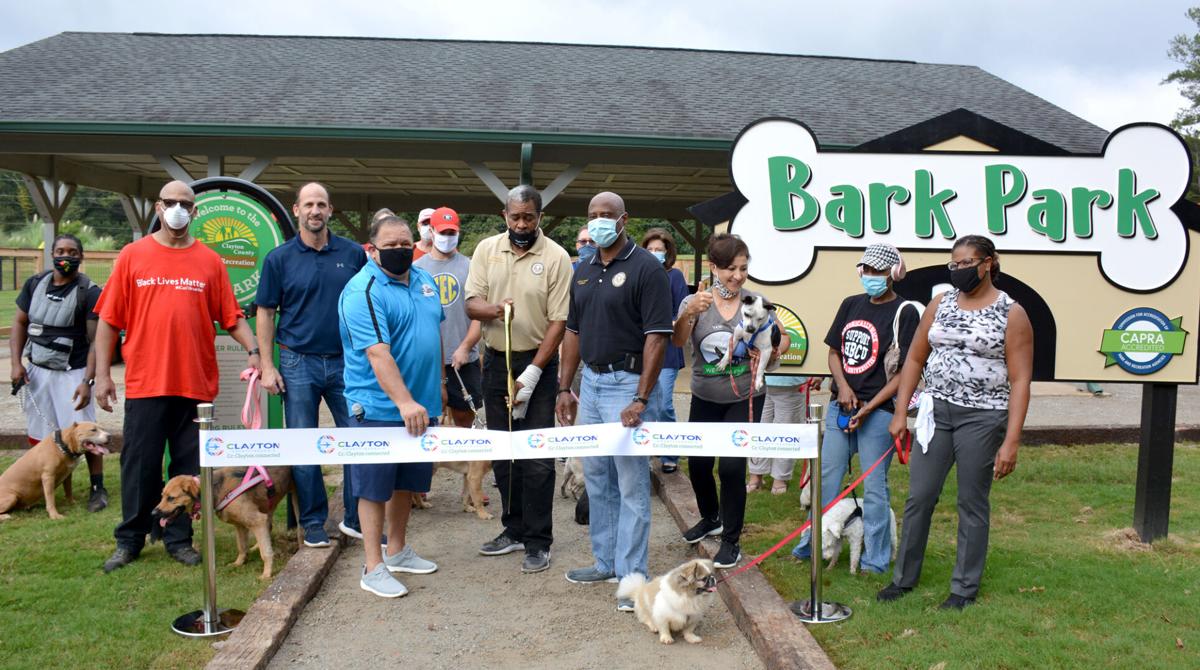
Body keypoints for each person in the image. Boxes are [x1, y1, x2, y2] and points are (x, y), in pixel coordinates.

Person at [94, 180, 260, 573]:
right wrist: (102, 375)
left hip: (196, 385)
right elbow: (107, 321)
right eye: (171, 203)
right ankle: (130, 540)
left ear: (195, 211)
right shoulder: (133, 256)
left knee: (188, 472)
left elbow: (232, 318)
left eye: (186, 204)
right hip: (146, 382)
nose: (178, 210)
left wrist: (255, 352)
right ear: (157, 207)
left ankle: (179, 540)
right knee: (140, 466)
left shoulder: (210, 262)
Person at [879, 235, 1032, 610]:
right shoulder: (941, 303)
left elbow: (1021, 380)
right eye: (954, 263)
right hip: (937, 412)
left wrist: (1011, 441)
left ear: (989, 263)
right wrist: (901, 412)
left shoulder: (1011, 313)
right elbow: (914, 358)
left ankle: (963, 589)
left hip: (983, 417)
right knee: (920, 496)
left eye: (967, 263)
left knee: (971, 501)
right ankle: (903, 579)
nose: (959, 270)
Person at [557, 191, 672, 612]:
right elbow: (573, 331)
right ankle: (605, 562)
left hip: (627, 384)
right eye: (593, 216)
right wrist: (564, 387)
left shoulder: (647, 269)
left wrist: (642, 397)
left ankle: (632, 575)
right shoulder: (583, 268)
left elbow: (657, 337)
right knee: (597, 477)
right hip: (590, 383)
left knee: (631, 485)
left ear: (625, 219)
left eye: (607, 215)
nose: (600, 222)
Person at [790, 243, 918, 575]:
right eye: (866, 270)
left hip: (879, 411)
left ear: (893, 273)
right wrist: (843, 387)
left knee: (875, 487)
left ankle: (875, 559)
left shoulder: (905, 312)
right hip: (840, 407)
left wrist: (870, 406)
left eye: (877, 271)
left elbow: (905, 371)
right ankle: (810, 545)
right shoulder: (851, 304)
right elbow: (834, 353)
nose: (870, 276)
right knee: (828, 479)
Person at [465, 185, 572, 574]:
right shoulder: (486, 250)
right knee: (504, 452)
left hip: (536, 365)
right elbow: (471, 303)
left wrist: (533, 372)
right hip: (495, 363)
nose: (521, 223)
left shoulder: (557, 256)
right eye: (515, 216)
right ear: (504, 215)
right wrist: (495, 309)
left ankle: (538, 540)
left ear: (540, 217)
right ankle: (513, 529)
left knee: (538, 456)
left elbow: (559, 320)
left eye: (529, 216)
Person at [255, 182, 367, 548]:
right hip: (296, 362)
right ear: (297, 210)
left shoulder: (353, 255)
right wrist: (268, 366)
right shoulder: (279, 258)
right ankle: (314, 521)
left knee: (356, 442)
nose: (315, 211)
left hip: (346, 363)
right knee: (304, 446)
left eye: (321, 204)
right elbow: (266, 312)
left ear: (330, 210)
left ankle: (355, 517)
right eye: (309, 205)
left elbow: (368, 303)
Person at [338, 214, 443, 598]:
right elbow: (377, 354)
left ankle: (397, 550)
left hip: (421, 405)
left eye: (405, 244)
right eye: (391, 246)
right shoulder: (362, 290)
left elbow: (433, 335)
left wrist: (438, 390)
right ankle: (372, 565)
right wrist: (404, 402)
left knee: (406, 483)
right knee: (373, 487)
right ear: (372, 249)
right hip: (380, 408)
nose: (400, 251)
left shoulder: (424, 280)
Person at [671, 233, 789, 568]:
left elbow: (780, 345)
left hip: (746, 395)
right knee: (698, 464)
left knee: (734, 466)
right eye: (730, 269)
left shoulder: (755, 301)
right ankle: (711, 517)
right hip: (705, 395)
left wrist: (779, 344)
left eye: (743, 268)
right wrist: (687, 314)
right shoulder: (697, 302)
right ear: (714, 267)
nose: (737, 276)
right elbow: (678, 341)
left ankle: (731, 540)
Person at [9, 233, 106, 511]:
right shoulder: (35, 284)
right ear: (52, 254)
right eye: (61, 251)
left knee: (85, 430)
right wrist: (17, 364)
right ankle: (42, 484)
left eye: (73, 252)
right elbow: (19, 323)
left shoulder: (88, 291)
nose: (66, 257)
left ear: (81, 256)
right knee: (41, 429)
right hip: (38, 370)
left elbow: (95, 342)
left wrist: (88, 381)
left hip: (72, 372)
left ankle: (97, 488)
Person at [413, 206, 483, 429]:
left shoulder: (471, 267)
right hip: (428, 361)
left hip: (463, 359)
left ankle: (464, 464)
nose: (446, 237)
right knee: (427, 420)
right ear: (431, 232)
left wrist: (465, 346)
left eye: (451, 233)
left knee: (464, 419)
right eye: (442, 232)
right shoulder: (416, 269)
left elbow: (479, 316)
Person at [640, 228, 689, 473]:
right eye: (650, 249)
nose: (655, 253)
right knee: (644, 404)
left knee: (664, 405)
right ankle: (647, 452)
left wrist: (665, 323)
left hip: (668, 351)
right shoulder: (639, 273)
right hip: (642, 350)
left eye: (659, 249)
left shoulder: (675, 276)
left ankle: (670, 453)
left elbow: (682, 312)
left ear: (668, 252)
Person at [747, 375, 817, 495]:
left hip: (791, 380)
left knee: (786, 431)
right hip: (759, 379)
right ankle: (756, 475)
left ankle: (779, 478)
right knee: (759, 428)